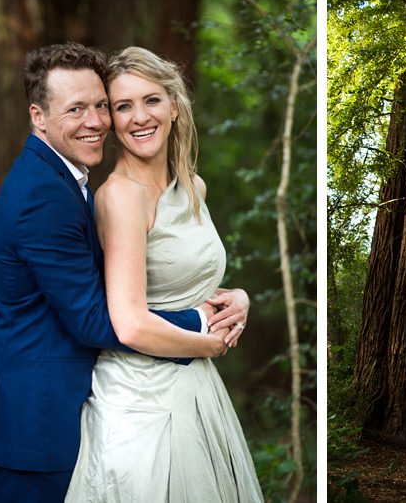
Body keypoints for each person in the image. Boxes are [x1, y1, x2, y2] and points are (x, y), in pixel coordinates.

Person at [0, 42, 247, 503]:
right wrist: (203, 325)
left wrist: (232, 298)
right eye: (76, 109)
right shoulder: (44, 194)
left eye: (100, 106)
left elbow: (129, 281)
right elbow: (100, 319)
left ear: (175, 107)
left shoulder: (66, 179)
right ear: (38, 116)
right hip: (37, 417)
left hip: (73, 402)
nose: (96, 121)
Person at [64, 46, 263, 502]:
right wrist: (209, 344)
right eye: (123, 106)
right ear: (111, 121)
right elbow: (130, 322)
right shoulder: (120, 198)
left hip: (196, 387)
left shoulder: (193, 186)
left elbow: (195, 279)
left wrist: (240, 298)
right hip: (140, 400)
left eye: (151, 100)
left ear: (175, 105)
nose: (139, 117)